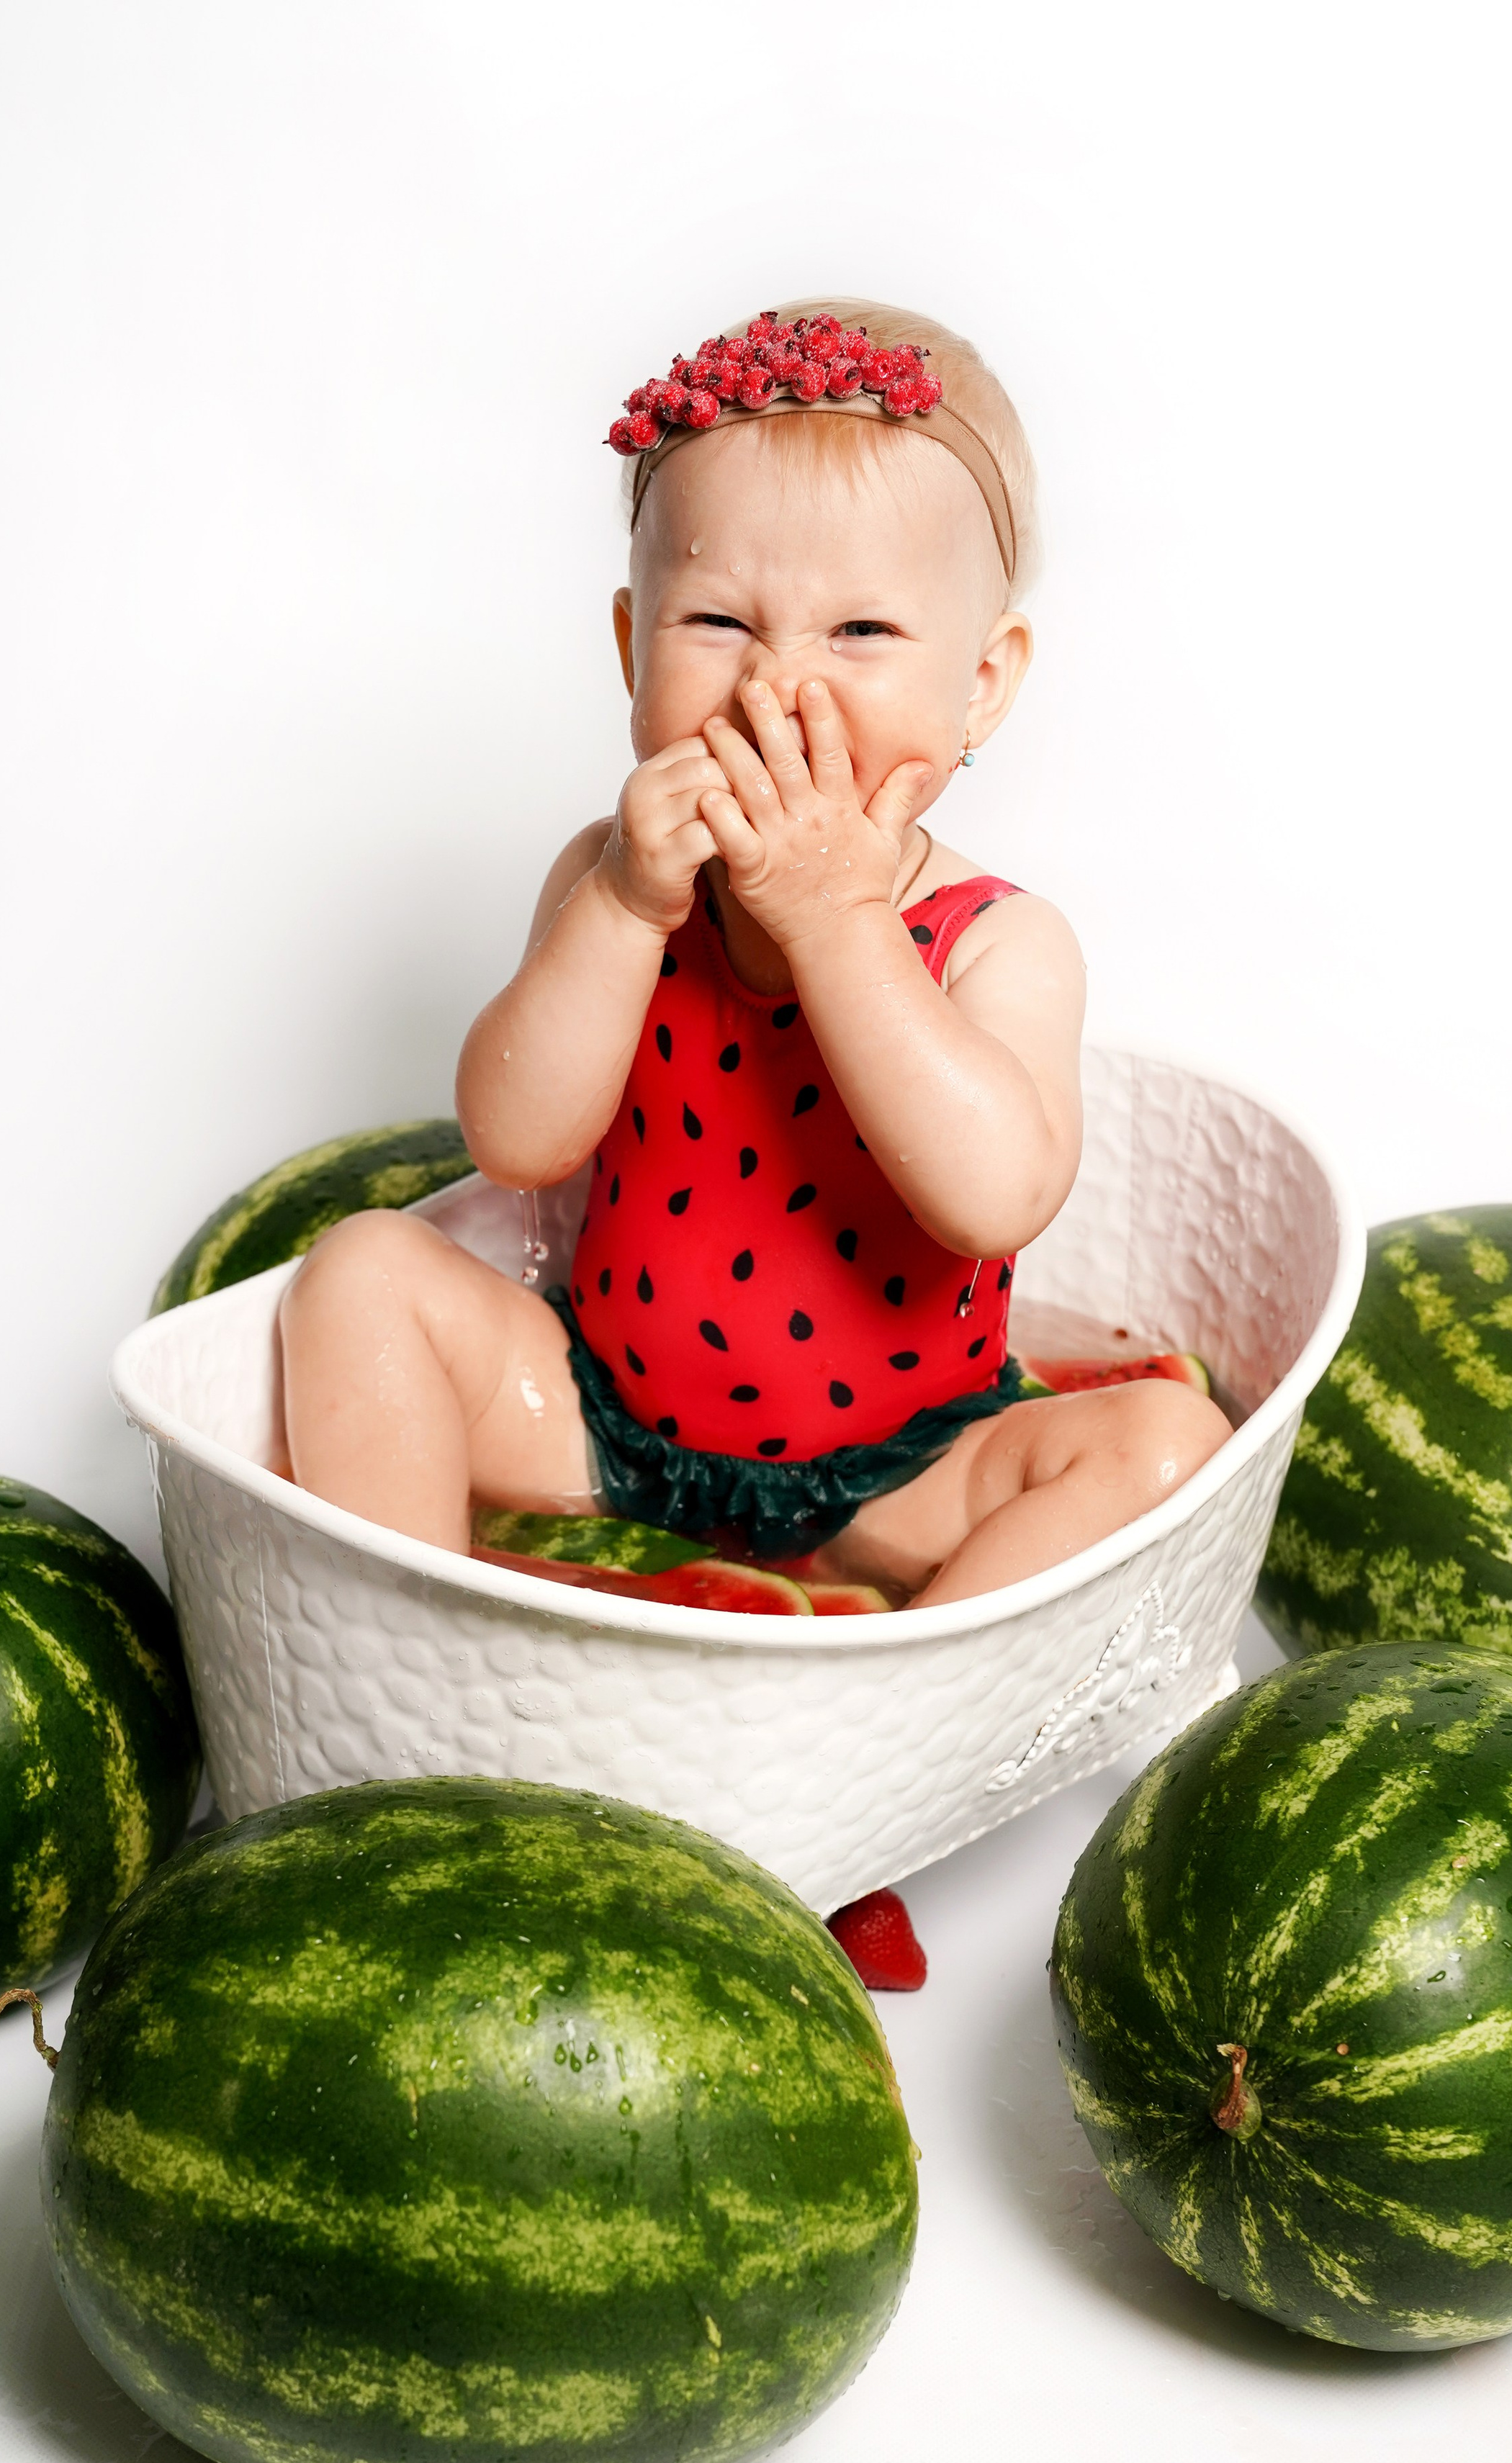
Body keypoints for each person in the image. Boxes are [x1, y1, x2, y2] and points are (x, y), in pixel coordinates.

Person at [278, 299, 1228, 1607]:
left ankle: (899, 1696)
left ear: (984, 684)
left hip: (911, 1469)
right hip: (602, 1425)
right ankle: (423, 1631)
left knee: (1170, 1448)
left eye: (863, 633)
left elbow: (996, 1196)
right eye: (718, 622)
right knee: (360, 1273)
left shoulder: (1000, 941)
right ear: (630, 647)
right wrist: (620, 906)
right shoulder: (613, 883)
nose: (779, 688)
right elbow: (516, 1139)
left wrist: (840, 922)